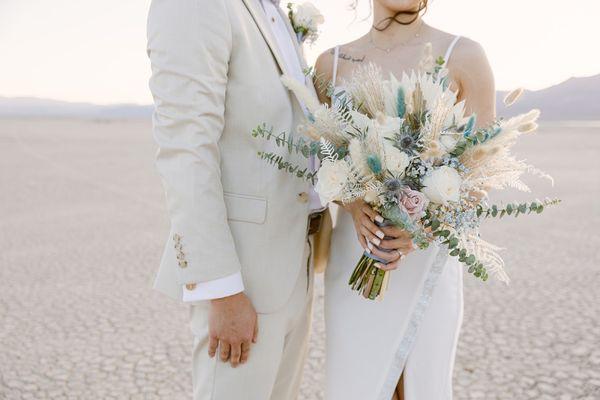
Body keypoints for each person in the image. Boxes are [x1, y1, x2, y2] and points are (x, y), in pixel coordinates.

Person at [314, 0, 495, 399]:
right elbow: (324, 160)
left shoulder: (463, 54)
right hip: (355, 253)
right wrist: (352, 201)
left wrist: (423, 225)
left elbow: (482, 168)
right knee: (355, 384)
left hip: (426, 251)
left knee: (422, 386)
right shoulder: (331, 62)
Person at [146, 0, 325, 398]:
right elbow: (186, 149)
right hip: (242, 279)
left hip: (296, 260)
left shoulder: (273, 12)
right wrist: (222, 291)